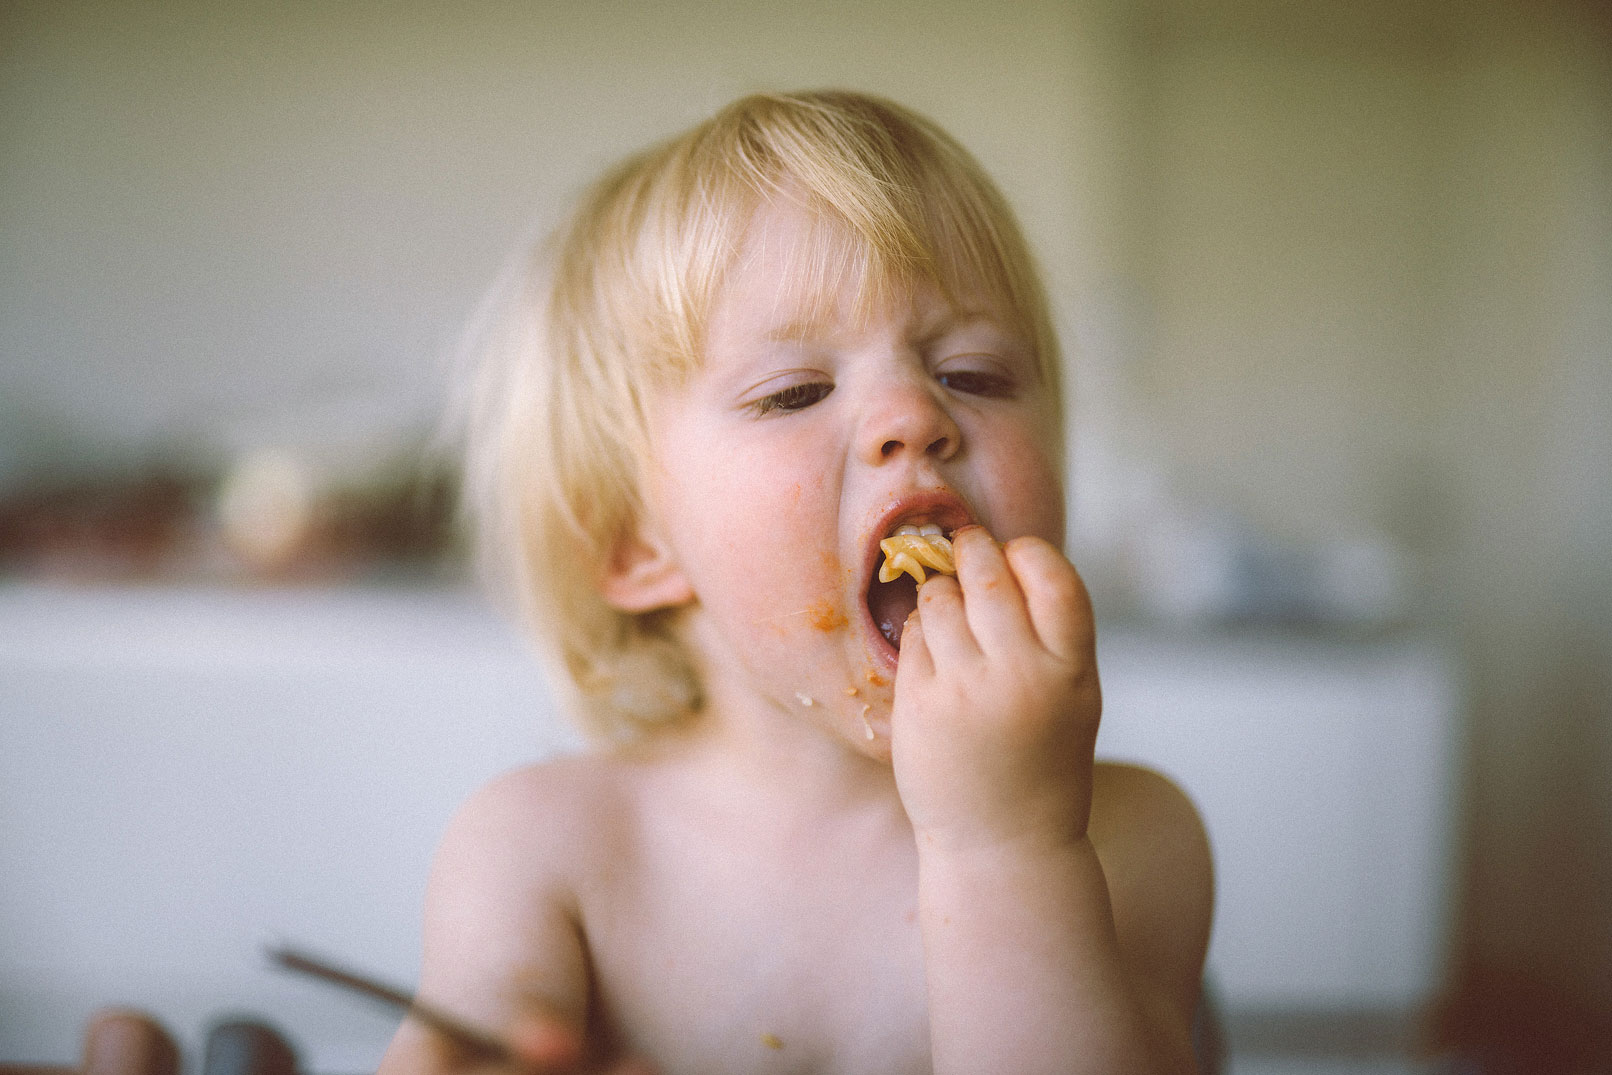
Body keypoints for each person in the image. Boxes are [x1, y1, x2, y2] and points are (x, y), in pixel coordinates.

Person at [378, 89, 1213, 1075]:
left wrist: (1008, 848)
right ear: (634, 546)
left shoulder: (1127, 839)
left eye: (974, 374)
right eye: (794, 392)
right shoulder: (543, 849)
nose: (915, 415)